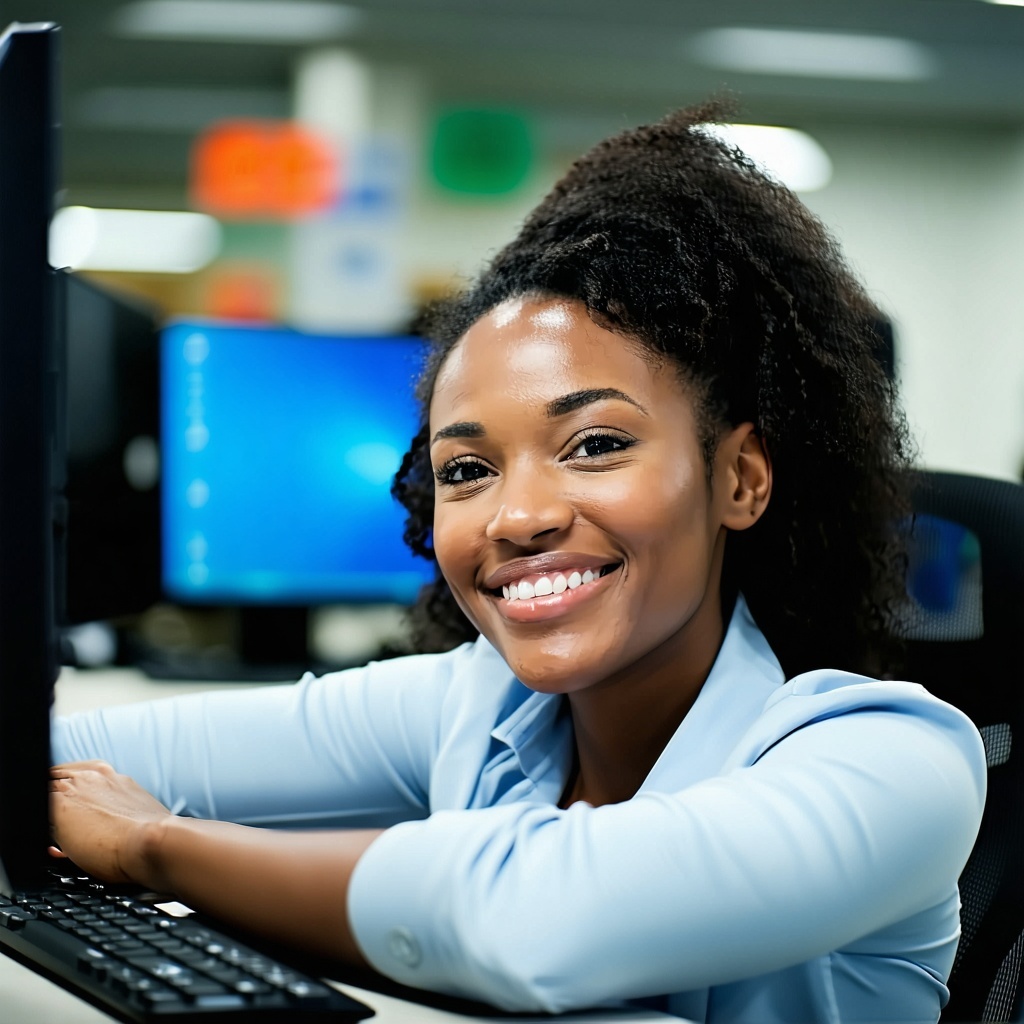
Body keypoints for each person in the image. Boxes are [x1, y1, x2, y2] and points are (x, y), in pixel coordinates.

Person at [50, 102, 986, 1023]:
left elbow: (533, 919)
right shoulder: (480, 703)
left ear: (739, 478)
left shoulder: (897, 760)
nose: (518, 515)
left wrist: (154, 846)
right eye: (467, 469)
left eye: (594, 445)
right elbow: (58, 760)